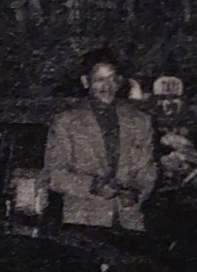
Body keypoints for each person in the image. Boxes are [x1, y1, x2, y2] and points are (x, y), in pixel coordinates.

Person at [44, 49, 157, 233]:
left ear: (119, 81)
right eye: (99, 80)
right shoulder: (67, 122)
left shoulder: (139, 121)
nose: (107, 86)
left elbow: (148, 170)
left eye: (112, 79)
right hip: (83, 223)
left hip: (130, 222)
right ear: (85, 82)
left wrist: (137, 192)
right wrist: (93, 186)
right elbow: (54, 175)